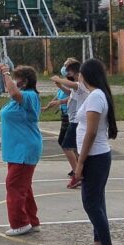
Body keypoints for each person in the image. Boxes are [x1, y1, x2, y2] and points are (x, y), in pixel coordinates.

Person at [74, 58, 117, 245]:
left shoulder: (96, 97)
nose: (78, 77)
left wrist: (80, 162)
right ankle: (98, 244)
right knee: (98, 203)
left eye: (80, 73)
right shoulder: (95, 94)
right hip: (96, 156)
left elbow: (90, 133)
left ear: (87, 75)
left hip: (95, 157)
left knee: (91, 204)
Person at [0, 64, 43, 236]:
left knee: (14, 185)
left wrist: (6, 73)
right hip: (16, 150)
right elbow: (13, 93)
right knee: (24, 187)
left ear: (25, 81)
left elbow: (14, 93)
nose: (13, 81)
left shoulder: (29, 96)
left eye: (17, 78)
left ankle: (20, 223)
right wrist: (5, 76)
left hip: (25, 148)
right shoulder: (16, 100)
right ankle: (32, 220)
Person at [51, 58, 89, 188]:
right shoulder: (77, 85)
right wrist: (60, 86)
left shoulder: (81, 84)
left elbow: (74, 87)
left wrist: (59, 79)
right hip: (74, 120)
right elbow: (71, 93)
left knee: (67, 146)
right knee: (76, 148)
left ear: (75, 72)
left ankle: (77, 175)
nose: (68, 75)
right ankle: (81, 172)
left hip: (76, 121)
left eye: (69, 73)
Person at [42, 66, 70, 153]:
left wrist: (61, 85)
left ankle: (77, 164)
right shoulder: (63, 81)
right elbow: (58, 95)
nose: (64, 67)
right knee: (64, 142)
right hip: (64, 114)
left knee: (65, 142)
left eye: (66, 65)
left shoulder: (72, 83)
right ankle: (77, 163)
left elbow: (71, 93)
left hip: (70, 115)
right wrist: (47, 107)